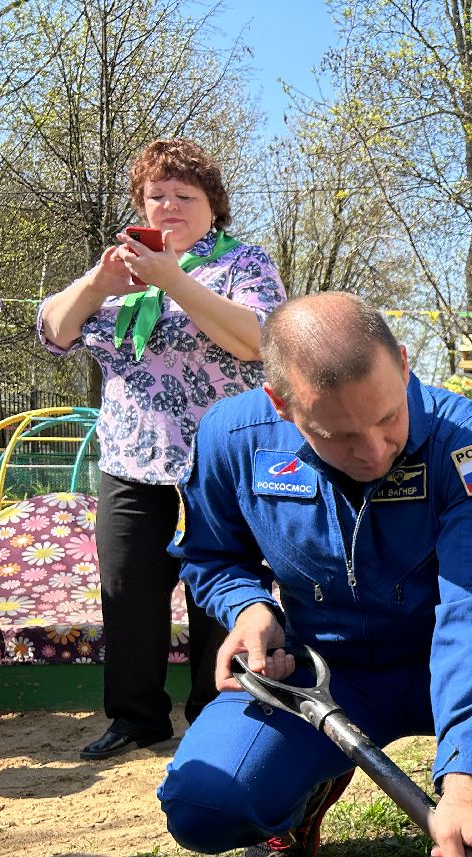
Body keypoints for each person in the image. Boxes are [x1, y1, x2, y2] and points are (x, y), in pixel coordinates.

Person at [156, 293, 472, 857]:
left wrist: (467, 778)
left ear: (402, 362)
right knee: (204, 807)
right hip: (324, 675)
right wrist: (249, 607)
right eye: (337, 435)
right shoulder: (232, 438)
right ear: (281, 405)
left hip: (445, 663)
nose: (372, 452)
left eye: (389, 418)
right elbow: (210, 556)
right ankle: (301, 792)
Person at [37, 139, 286, 761]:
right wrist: (98, 282)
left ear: (213, 207)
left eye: (185, 196)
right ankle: (136, 718)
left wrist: (173, 279)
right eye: (156, 196)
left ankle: (215, 714)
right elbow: (54, 331)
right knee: (128, 592)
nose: (169, 206)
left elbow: (257, 341)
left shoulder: (242, 263)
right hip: (129, 462)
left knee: (218, 594)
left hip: (219, 465)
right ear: (140, 204)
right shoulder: (122, 268)